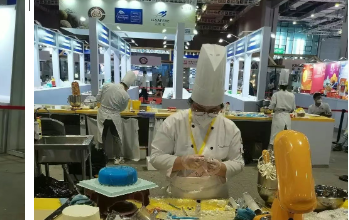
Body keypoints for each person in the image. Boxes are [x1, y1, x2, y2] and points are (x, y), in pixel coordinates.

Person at [150, 45, 244, 199]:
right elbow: (156, 157)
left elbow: (238, 162)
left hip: (217, 196)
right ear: (191, 103)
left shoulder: (230, 127)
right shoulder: (174, 122)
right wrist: (182, 162)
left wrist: (221, 167)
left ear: (221, 108)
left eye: (212, 111)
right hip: (180, 194)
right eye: (199, 109)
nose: (206, 115)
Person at [97, 71, 136, 164]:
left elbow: (98, 98)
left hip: (102, 115)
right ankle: (117, 158)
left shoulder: (107, 85)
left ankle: (101, 157)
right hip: (114, 117)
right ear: (128, 87)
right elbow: (122, 109)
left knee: (102, 136)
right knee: (117, 137)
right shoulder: (125, 95)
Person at [267, 69, 296, 146]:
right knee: (286, 138)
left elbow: (271, 106)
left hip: (278, 116)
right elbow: (293, 108)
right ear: (287, 85)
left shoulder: (276, 94)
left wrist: (268, 108)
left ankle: (272, 152)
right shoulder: (292, 95)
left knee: (275, 138)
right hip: (287, 117)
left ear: (279, 85)